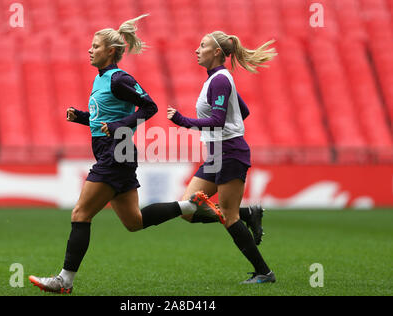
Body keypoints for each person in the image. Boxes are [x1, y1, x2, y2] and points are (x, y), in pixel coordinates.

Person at [28, 14, 224, 294]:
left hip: (115, 154)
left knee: (80, 214)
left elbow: (149, 107)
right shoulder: (102, 79)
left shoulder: (120, 78)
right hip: (115, 153)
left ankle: (64, 280)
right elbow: (105, 119)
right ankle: (188, 206)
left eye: (95, 46)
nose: (89, 50)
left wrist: (118, 126)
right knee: (135, 222)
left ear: (110, 51)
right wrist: (82, 117)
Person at [167, 31, 277, 284]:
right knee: (188, 209)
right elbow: (243, 111)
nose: (197, 49)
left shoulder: (219, 80)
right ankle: (248, 214)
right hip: (217, 153)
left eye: (202, 45)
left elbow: (217, 121)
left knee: (228, 217)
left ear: (217, 52)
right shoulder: (216, 80)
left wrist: (181, 120)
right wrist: (231, 125)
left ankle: (264, 272)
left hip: (229, 152)